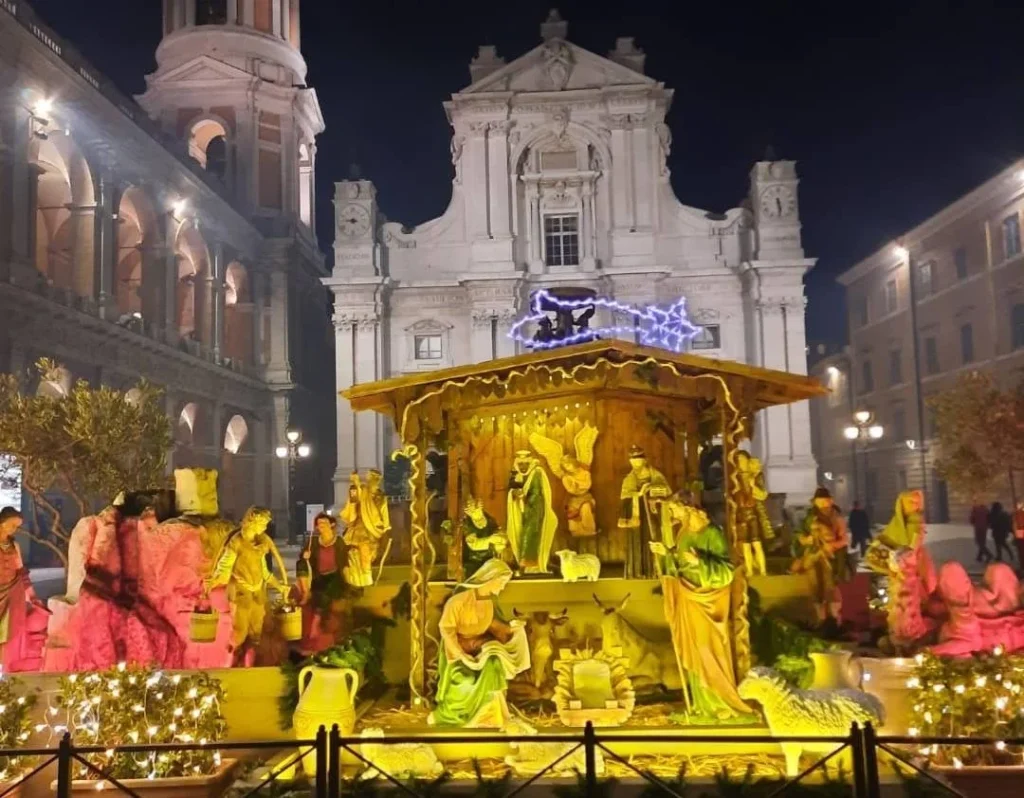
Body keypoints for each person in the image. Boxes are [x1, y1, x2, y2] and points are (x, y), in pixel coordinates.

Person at [651, 501, 754, 721]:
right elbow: (679, 562)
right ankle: (700, 704)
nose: (671, 514)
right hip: (688, 595)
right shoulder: (683, 533)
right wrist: (665, 554)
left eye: (674, 509)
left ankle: (721, 702)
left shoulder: (712, 534)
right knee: (694, 650)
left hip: (708, 599)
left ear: (688, 508)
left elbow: (726, 571)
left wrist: (700, 562)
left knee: (708, 648)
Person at [429, 559, 530, 728]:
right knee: (465, 681)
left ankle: (491, 715)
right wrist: (462, 655)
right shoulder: (458, 601)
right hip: (458, 651)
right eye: (502, 582)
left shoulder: (489, 603)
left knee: (494, 662)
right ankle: (449, 715)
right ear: (490, 578)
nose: (503, 586)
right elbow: (446, 629)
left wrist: (514, 628)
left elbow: (495, 627)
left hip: (480, 648)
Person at [206, 506, 289, 666]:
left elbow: (264, 572)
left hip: (257, 592)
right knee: (240, 630)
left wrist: (279, 586)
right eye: (262, 524)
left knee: (257, 629)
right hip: (241, 591)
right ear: (252, 522)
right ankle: (231, 661)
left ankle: (252, 661)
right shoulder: (236, 542)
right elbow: (225, 566)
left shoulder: (260, 544)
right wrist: (215, 580)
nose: (265, 528)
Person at [618, 445, 671, 579]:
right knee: (636, 541)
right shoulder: (629, 478)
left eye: (638, 459)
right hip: (637, 513)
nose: (636, 462)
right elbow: (625, 496)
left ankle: (655, 570)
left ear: (644, 460)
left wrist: (654, 492)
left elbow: (666, 491)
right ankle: (637, 571)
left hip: (652, 511)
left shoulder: (655, 474)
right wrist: (638, 493)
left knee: (654, 537)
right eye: (633, 460)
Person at [0, 508, 41, 669]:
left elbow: (21, 571)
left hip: (13, 594)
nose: (14, 529)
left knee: (8, 634)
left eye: (17, 526)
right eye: (11, 524)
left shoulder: (13, 545)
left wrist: (31, 595)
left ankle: (5, 672)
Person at [506, 451, 558, 574]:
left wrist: (524, 498)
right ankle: (524, 564)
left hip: (536, 509)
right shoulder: (515, 474)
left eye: (525, 464)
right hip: (522, 509)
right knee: (521, 534)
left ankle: (533, 564)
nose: (523, 467)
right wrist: (515, 493)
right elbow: (512, 489)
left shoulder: (537, 473)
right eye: (521, 464)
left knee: (531, 534)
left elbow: (538, 491)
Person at [340, 469, 391, 587]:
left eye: (375, 478)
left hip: (372, 530)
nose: (372, 480)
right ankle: (354, 581)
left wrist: (387, 529)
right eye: (371, 478)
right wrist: (355, 483)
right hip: (358, 527)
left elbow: (384, 515)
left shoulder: (381, 497)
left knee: (366, 553)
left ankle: (366, 581)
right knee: (352, 554)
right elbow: (354, 497)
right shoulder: (363, 491)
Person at [1015, 502, 1024, 572]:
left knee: (1021, 549)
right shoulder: (1017, 513)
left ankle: (1022, 565)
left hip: (1020, 532)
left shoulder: (1017, 513)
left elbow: (1014, 525)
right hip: (1020, 532)